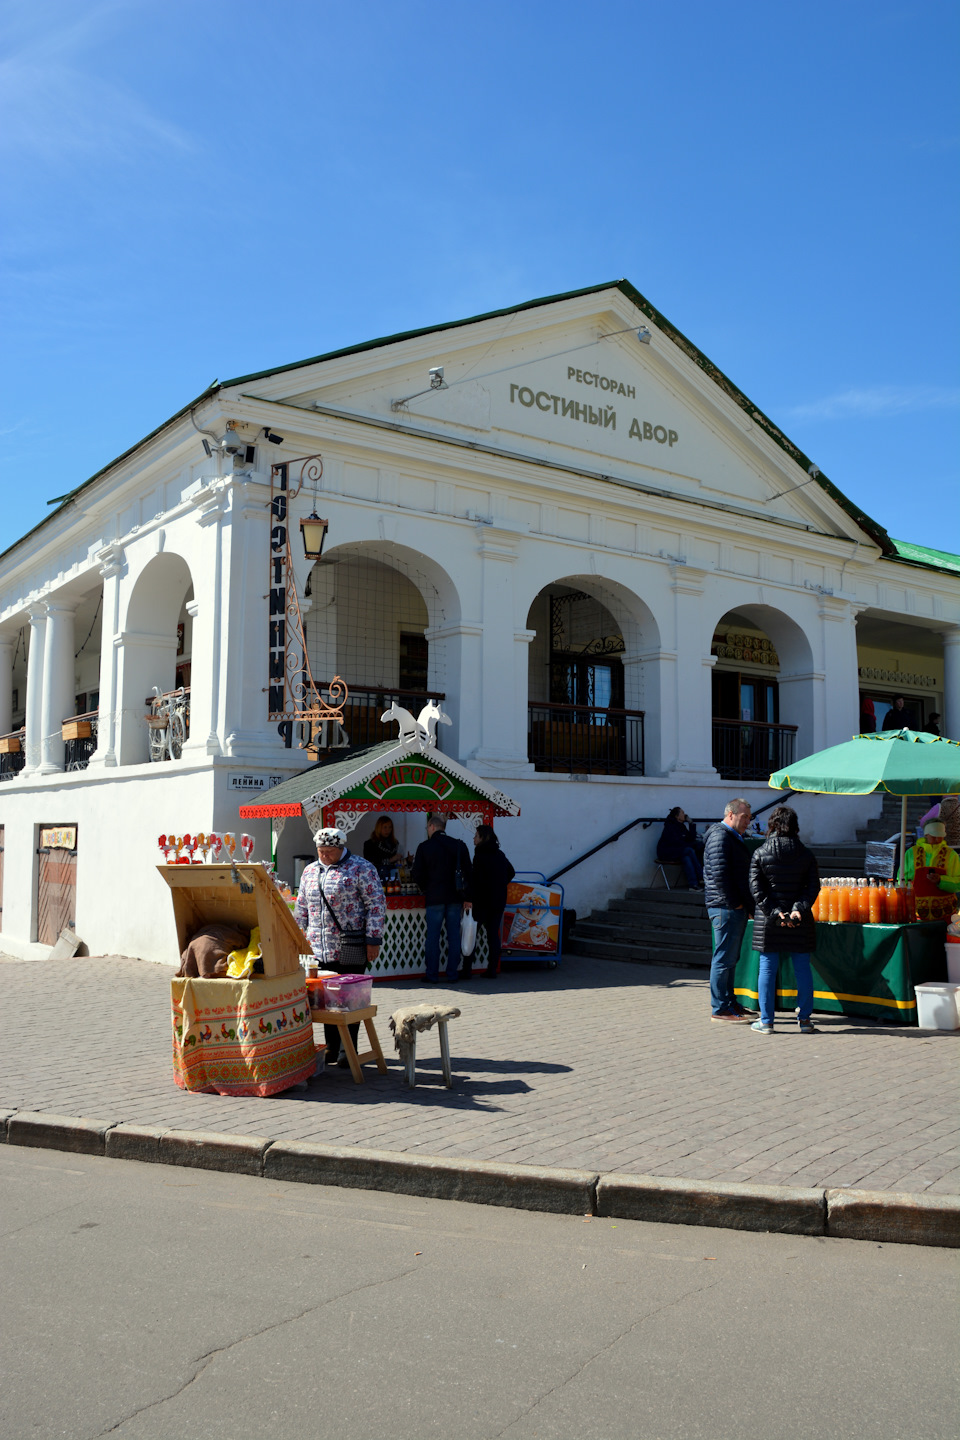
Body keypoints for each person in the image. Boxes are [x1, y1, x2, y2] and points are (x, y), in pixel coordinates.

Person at [294, 826, 385, 1067]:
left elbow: (376, 905)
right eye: (320, 851)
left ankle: (349, 1050)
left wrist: (373, 940)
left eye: (329, 852)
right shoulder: (310, 871)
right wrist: (295, 937)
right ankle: (331, 1048)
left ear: (340, 848)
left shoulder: (361, 868)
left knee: (348, 1002)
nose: (324, 856)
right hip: (317, 950)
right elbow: (301, 907)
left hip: (350, 947)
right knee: (324, 1002)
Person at [748, 806, 821, 1034]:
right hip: (800, 920)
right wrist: (798, 908)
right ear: (795, 825)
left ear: (772, 825)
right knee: (802, 969)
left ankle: (767, 1021)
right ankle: (806, 1021)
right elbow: (813, 887)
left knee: (767, 969)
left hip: (770, 921)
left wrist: (774, 911)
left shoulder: (760, 852)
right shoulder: (806, 854)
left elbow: (756, 888)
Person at [703, 798, 756, 1022]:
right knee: (724, 959)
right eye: (744, 817)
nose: (747, 823)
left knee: (730, 958)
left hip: (731, 906)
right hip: (725, 907)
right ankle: (720, 1008)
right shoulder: (720, 836)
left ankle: (729, 1002)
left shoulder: (731, 837)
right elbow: (720, 874)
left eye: (750, 819)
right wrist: (736, 903)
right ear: (731, 814)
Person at [411, 812, 473, 983]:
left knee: (433, 936)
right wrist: (468, 896)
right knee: (453, 935)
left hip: (434, 897)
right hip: (455, 897)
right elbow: (469, 872)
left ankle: (432, 974)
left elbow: (417, 873)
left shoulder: (424, 847)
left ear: (432, 827)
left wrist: (426, 887)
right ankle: (452, 973)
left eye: (427, 828)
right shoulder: (459, 845)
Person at [468, 824, 515, 979]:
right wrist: (500, 884)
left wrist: (469, 898)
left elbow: (475, 880)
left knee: (471, 933)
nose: (473, 838)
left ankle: (467, 969)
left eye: (476, 835)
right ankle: (492, 968)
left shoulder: (479, 856)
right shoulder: (499, 854)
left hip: (482, 901)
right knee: (493, 935)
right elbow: (511, 871)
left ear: (482, 838)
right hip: (498, 900)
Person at [903, 819, 960, 923]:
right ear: (926, 834)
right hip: (916, 914)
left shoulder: (951, 855)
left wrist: (941, 880)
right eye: (934, 836)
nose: (937, 839)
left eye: (940, 835)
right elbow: (902, 879)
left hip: (945, 915)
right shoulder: (911, 853)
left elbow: (958, 882)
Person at [656, 806, 703, 889]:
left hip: (678, 852)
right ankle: (701, 877)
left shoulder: (682, 826)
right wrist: (690, 845)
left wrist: (691, 823)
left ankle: (693, 884)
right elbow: (677, 843)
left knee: (686, 857)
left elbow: (690, 838)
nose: (685, 815)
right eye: (682, 813)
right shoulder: (670, 827)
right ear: (677, 816)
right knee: (689, 850)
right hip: (667, 852)